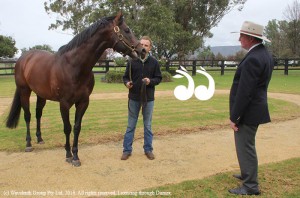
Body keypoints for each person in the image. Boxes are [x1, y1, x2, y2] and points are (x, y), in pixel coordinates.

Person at [228, 21, 274, 195]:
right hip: (255, 108)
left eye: (241, 36)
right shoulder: (264, 54)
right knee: (247, 145)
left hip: (248, 111)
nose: (239, 39)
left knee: (245, 146)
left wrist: (235, 117)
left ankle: (250, 186)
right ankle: (246, 173)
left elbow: (245, 92)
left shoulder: (254, 58)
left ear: (250, 38)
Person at [121, 36, 162, 160]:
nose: (143, 47)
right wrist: (127, 83)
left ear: (150, 48)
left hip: (148, 99)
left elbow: (159, 78)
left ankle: (148, 149)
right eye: (142, 44)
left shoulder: (154, 62)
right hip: (133, 97)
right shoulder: (132, 61)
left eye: (146, 45)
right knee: (130, 125)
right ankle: (127, 150)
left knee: (147, 125)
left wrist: (150, 81)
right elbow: (125, 77)